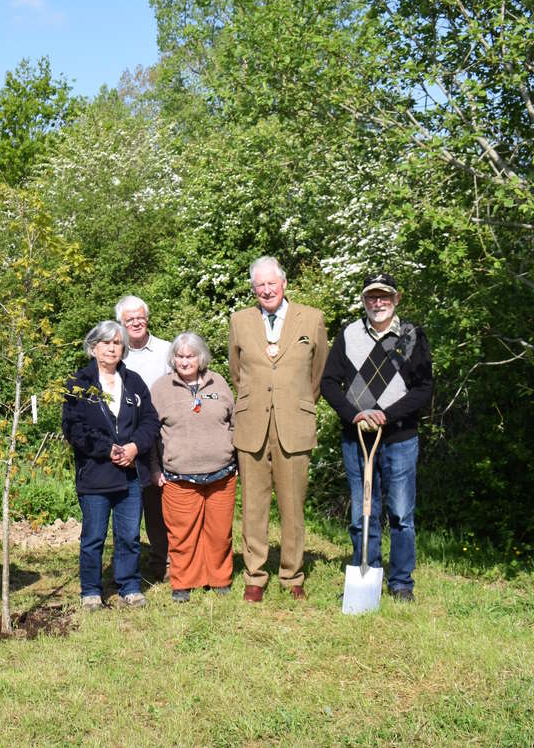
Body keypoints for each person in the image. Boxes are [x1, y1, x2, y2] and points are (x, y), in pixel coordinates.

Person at [321, 274, 433, 602]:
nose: (378, 303)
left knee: (401, 514)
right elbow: (329, 383)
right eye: (372, 297)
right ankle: (365, 570)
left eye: (384, 296)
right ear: (364, 300)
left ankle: (400, 583)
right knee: (362, 513)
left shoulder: (411, 336)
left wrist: (388, 415)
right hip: (357, 438)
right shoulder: (349, 335)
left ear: (396, 299)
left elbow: (424, 388)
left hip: (400, 438)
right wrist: (353, 414)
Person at [228, 256, 329, 602]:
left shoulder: (312, 318)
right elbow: (236, 372)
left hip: (294, 424)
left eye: (272, 283)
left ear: (284, 284)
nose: (267, 290)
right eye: (260, 286)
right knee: (253, 507)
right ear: (254, 290)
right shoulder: (240, 321)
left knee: (292, 505)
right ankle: (254, 576)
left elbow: (318, 375)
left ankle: (291, 575)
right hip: (252, 423)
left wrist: (296, 401)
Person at [62, 320, 160, 610]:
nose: (112, 348)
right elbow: (73, 428)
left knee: (129, 535)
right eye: (106, 342)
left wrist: (134, 447)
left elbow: (150, 421)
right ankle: (91, 590)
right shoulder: (79, 383)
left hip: (131, 473)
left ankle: (129, 586)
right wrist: (108, 450)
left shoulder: (134, 382)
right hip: (95, 474)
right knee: (93, 537)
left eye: (117, 343)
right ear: (93, 348)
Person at [149, 332, 238, 603]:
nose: (185, 361)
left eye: (191, 356)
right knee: (181, 533)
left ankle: (219, 578)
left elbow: (234, 424)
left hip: (222, 473)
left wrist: (237, 462)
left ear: (201, 358)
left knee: (219, 532)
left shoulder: (219, 382)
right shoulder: (161, 388)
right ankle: (183, 583)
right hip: (179, 475)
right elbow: (151, 434)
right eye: (180, 356)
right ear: (173, 359)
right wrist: (154, 469)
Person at [115, 295, 173, 581]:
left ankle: (172, 559)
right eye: (129, 319)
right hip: (129, 438)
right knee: (139, 498)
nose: (136, 322)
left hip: (165, 434)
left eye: (140, 317)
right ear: (120, 324)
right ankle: (146, 560)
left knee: (166, 498)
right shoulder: (116, 352)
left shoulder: (166, 350)